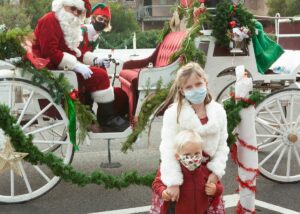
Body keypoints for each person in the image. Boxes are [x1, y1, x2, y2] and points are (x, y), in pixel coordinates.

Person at [31, 0, 129, 132]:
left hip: (60, 67)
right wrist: (75, 65)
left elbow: (75, 51)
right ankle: (107, 120)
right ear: (62, 6)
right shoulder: (49, 20)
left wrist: (95, 60)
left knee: (98, 71)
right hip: (52, 70)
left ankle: (90, 116)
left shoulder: (65, 25)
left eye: (79, 11)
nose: (75, 13)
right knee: (100, 76)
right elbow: (49, 51)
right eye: (73, 9)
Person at [159, 62, 229, 212]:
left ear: (206, 83)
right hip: (182, 175)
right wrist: (173, 182)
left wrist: (216, 173)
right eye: (189, 87)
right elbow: (168, 149)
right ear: (182, 91)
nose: (195, 90)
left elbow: (222, 145)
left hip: (206, 178)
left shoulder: (218, 112)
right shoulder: (173, 114)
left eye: (198, 84)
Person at [152, 130, 224, 214]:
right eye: (187, 155)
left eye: (197, 153)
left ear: (202, 153)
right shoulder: (171, 172)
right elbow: (156, 183)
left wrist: (216, 189)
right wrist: (163, 191)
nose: (193, 158)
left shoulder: (205, 171)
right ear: (177, 156)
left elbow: (219, 186)